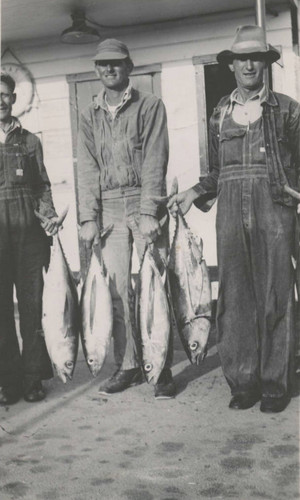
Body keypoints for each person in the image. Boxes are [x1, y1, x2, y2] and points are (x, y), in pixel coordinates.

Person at [168, 25, 300, 413]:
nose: (248, 65)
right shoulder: (218, 114)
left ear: (265, 63)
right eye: (241, 58)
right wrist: (193, 193)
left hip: (275, 210)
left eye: (255, 58)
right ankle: (244, 382)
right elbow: (215, 173)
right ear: (231, 65)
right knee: (235, 298)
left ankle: (276, 383)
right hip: (229, 214)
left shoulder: (289, 110)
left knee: (276, 293)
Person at [77, 39, 175, 399]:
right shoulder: (89, 115)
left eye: (116, 63)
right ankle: (130, 364)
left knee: (155, 288)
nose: (109, 70)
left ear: (129, 66)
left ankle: (159, 365)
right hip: (108, 207)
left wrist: (150, 210)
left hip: (142, 200)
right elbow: (86, 168)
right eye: (102, 64)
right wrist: (88, 216)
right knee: (117, 290)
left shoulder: (149, 105)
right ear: (96, 69)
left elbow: (155, 160)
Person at [0, 72, 60, 404]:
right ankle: (8, 381)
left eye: (5, 94)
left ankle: (33, 377)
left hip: (28, 234)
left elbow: (41, 187)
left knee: (33, 306)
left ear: (14, 98)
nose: (0, 100)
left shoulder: (29, 141)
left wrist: (48, 215)